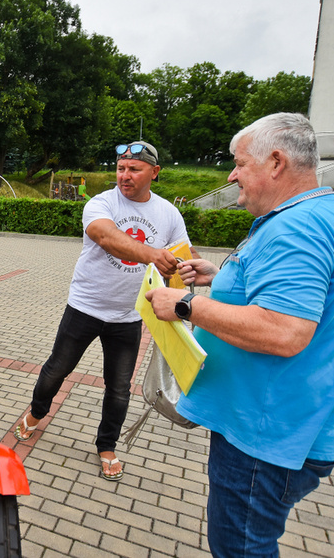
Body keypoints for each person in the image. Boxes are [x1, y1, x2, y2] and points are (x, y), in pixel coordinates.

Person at [145, 113, 334, 557]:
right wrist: (224, 276)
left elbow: (285, 331)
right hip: (293, 423)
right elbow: (285, 296)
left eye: (239, 163)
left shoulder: (297, 229)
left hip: (263, 439)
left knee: (242, 548)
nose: (231, 175)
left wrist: (187, 305)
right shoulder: (326, 214)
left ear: (276, 162)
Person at [14, 140, 198, 481]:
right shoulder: (102, 203)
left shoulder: (169, 214)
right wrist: (152, 254)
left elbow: (183, 255)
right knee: (57, 370)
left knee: (118, 387)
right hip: (85, 306)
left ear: (154, 173)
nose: (124, 176)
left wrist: (190, 271)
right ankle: (37, 412)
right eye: (120, 168)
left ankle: (107, 445)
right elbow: (105, 235)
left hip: (128, 316)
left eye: (134, 169)